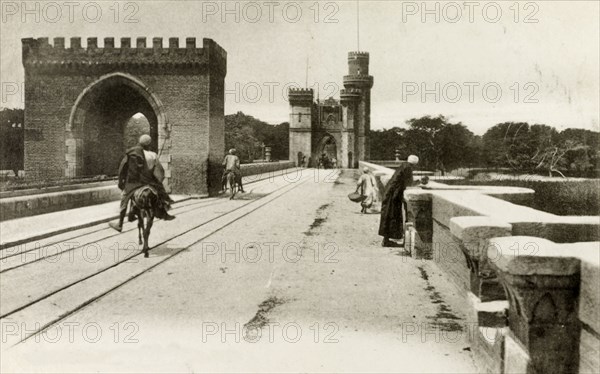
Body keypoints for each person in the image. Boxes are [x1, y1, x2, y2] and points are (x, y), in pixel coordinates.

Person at [109, 135, 175, 232]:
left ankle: (120, 224)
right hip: (148, 182)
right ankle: (165, 212)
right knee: (160, 194)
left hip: (132, 184)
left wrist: (121, 183)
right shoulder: (153, 155)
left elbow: (122, 169)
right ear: (149, 144)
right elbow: (160, 173)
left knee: (124, 199)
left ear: (139, 143)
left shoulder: (131, 153)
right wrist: (157, 182)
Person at [378, 155, 419, 247]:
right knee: (392, 216)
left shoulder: (403, 165)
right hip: (393, 195)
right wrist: (420, 182)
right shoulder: (408, 168)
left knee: (389, 216)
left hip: (390, 193)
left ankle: (386, 240)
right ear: (414, 164)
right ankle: (386, 241)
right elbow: (409, 183)